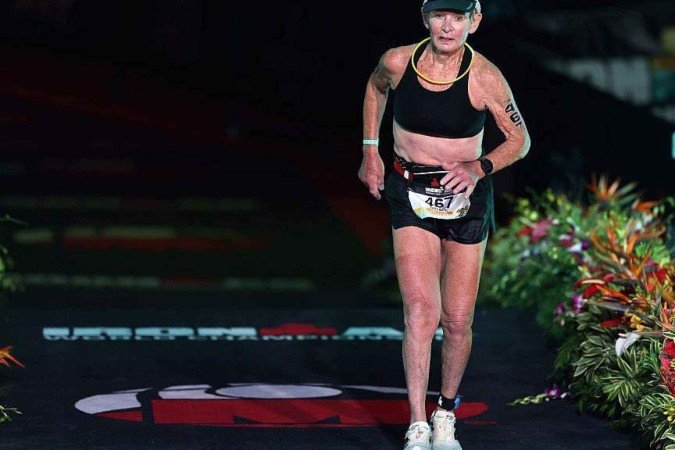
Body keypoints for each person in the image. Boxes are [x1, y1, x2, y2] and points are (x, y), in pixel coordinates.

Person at [358, 0, 530, 449]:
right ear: (425, 18)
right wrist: (370, 149)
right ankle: (417, 424)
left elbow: (520, 139)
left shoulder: (485, 76)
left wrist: (479, 167)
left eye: (458, 17)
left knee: (456, 319)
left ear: (475, 21)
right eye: (439, 16)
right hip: (410, 193)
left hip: (465, 200)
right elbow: (375, 88)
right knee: (420, 311)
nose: (447, 26)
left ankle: (445, 412)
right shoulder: (398, 62)